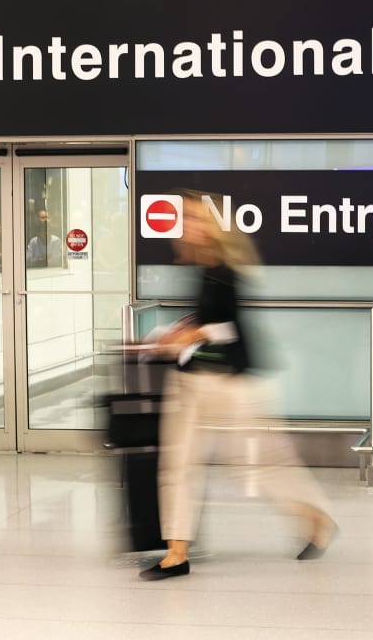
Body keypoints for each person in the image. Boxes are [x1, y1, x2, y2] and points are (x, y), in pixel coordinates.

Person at [140, 189, 337, 581]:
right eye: (187, 220)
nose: (189, 227)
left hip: (234, 383)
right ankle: (176, 552)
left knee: (259, 466)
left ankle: (315, 518)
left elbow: (227, 328)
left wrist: (191, 334)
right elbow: (205, 320)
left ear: (211, 228)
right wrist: (177, 334)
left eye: (197, 220)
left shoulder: (226, 268)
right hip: (192, 381)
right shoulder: (198, 267)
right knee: (177, 464)